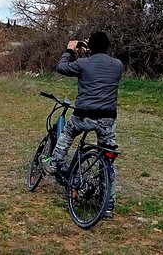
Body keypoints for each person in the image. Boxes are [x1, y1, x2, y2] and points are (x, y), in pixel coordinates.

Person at [43, 31, 123, 218]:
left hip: (83, 115)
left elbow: (62, 68)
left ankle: (54, 163)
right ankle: (108, 205)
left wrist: (70, 51)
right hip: (107, 119)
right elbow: (99, 67)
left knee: (68, 132)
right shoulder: (118, 65)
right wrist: (91, 51)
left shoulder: (82, 63)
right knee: (108, 159)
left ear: (91, 47)